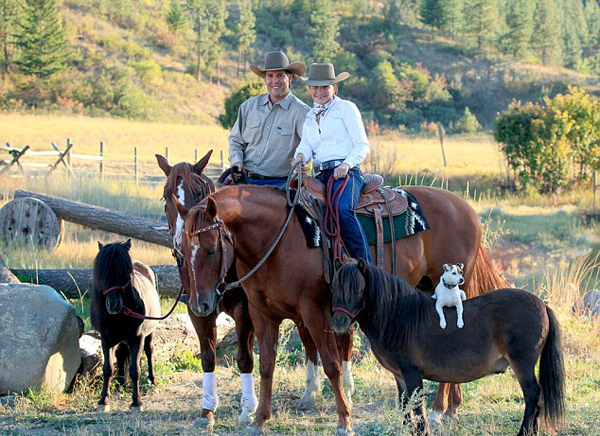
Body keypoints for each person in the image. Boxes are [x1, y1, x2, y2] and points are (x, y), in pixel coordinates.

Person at [294, 63, 372, 263]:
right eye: (315, 87)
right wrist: (300, 158)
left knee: (342, 208)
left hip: (346, 172)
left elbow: (362, 144)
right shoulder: (310, 116)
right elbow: (305, 147)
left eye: (324, 87)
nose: (319, 92)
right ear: (310, 89)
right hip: (320, 175)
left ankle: (366, 267)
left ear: (334, 88)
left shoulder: (345, 108)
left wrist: (346, 164)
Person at [228, 51, 310, 186]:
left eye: (280, 76)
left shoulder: (302, 113)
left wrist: (300, 160)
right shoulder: (248, 106)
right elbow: (235, 140)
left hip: (279, 184)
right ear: (265, 79)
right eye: (270, 76)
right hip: (244, 179)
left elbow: (309, 145)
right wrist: (237, 161)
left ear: (290, 78)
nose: (274, 81)